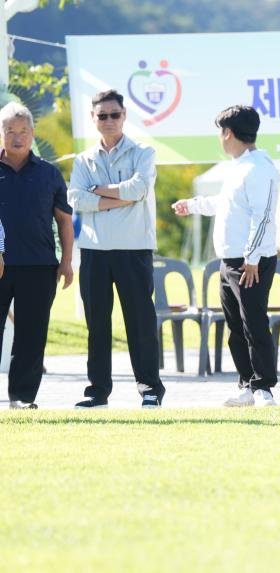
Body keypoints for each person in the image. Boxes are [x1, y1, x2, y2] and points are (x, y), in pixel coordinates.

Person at [172, 105, 280, 407]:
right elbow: (227, 204)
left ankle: (263, 388)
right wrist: (192, 205)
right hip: (230, 260)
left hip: (250, 262)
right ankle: (246, 384)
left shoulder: (259, 168)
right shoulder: (239, 167)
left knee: (254, 323)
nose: (220, 138)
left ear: (228, 133)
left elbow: (263, 216)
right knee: (235, 326)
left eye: (221, 132)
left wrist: (253, 257)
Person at [68, 89, 165, 409]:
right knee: (97, 326)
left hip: (134, 248)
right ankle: (97, 391)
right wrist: (118, 198)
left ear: (124, 116)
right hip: (94, 251)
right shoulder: (83, 159)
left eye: (115, 114)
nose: (109, 120)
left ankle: (150, 388)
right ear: (93, 118)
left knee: (140, 324)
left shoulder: (143, 152)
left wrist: (98, 193)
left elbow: (139, 189)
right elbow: (76, 199)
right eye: (102, 115)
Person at [0, 102, 74, 409]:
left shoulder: (49, 173)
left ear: (33, 133)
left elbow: (64, 220)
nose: (17, 137)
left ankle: (21, 397)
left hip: (40, 265)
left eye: (23, 131)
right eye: (9, 130)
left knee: (31, 336)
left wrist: (67, 262)